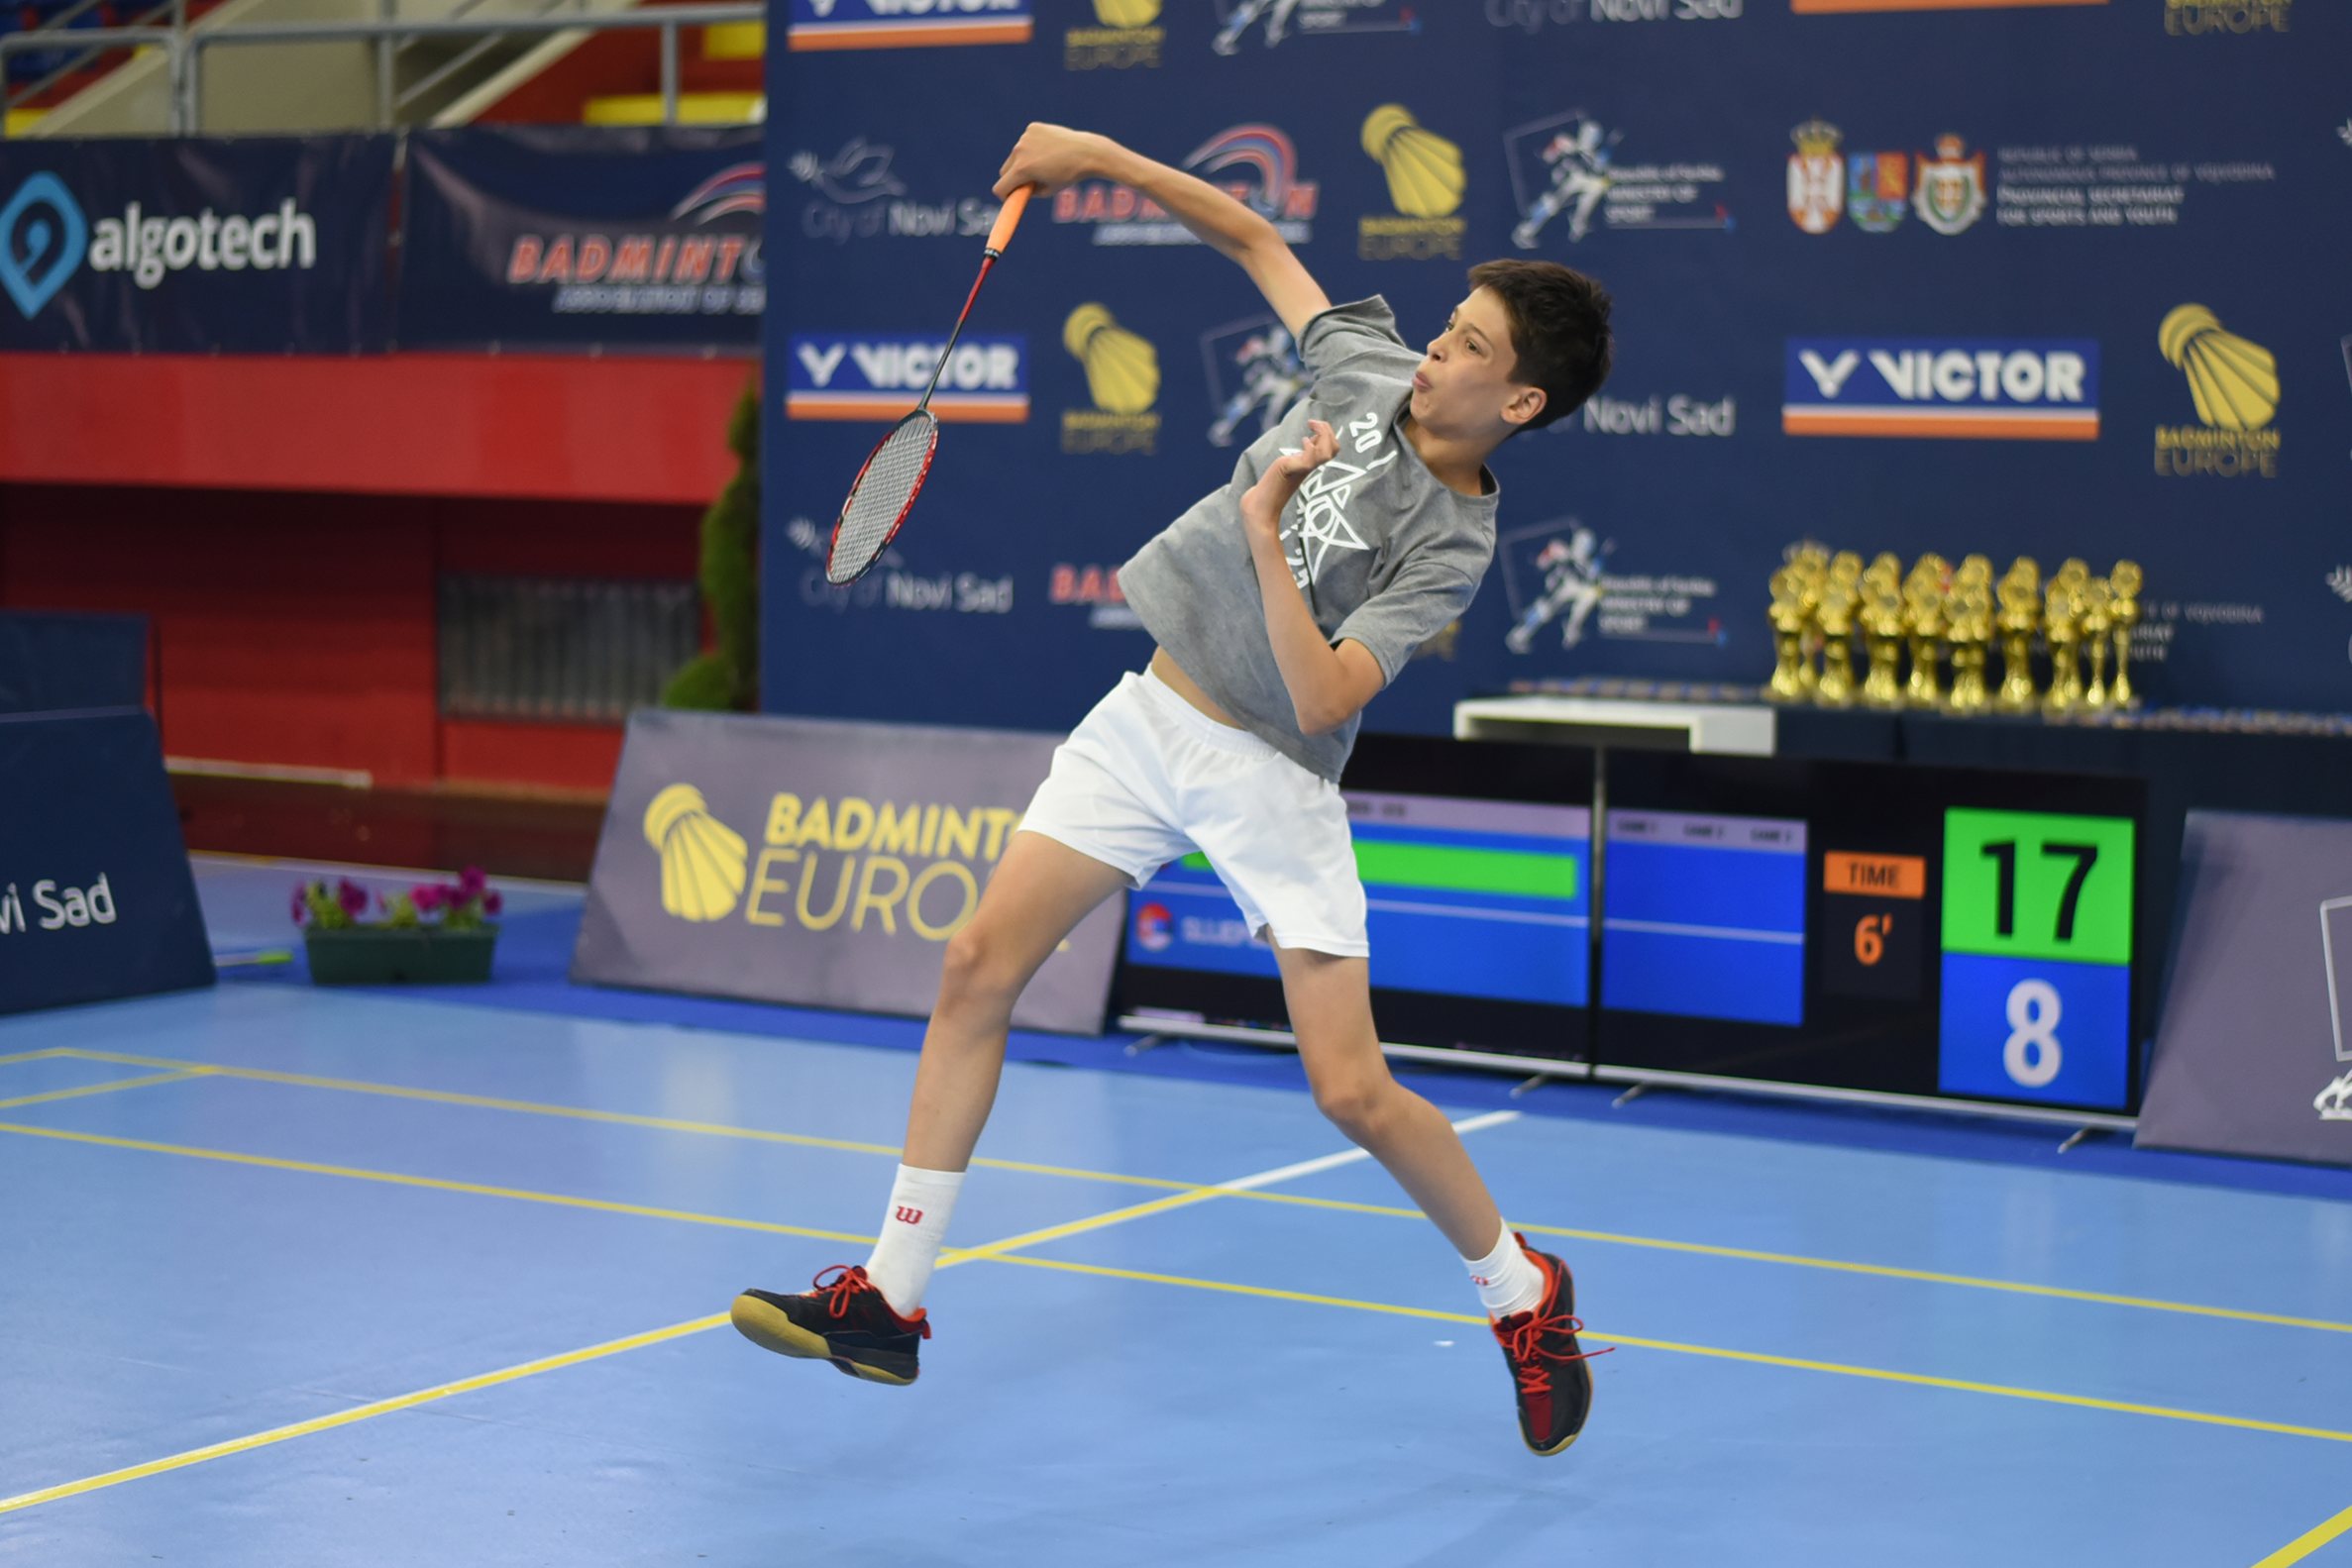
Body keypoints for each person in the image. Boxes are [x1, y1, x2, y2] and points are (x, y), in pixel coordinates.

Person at [730, 123, 1617, 1457]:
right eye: (1447, 328)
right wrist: (1098, 155)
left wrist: (1262, 531)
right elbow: (1253, 235)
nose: (1436, 350)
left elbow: (1323, 696)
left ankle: (1522, 1293)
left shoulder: (1453, 542)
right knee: (975, 966)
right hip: (1149, 718)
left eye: (1469, 347)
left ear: (1521, 403)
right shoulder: (1368, 367)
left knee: (1350, 1092)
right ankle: (889, 1304)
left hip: (1271, 774)